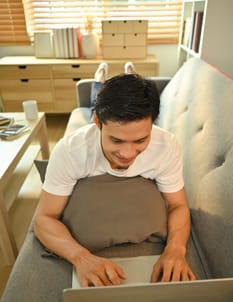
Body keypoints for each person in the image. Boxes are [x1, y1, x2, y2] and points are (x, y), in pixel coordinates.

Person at [34, 63, 196, 287]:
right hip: (91, 127)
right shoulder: (71, 150)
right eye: (116, 140)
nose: (128, 154)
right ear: (98, 123)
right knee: (97, 96)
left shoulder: (166, 145)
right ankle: (100, 77)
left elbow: (178, 206)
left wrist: (176, 251)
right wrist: (81, 258)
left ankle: (130, 72)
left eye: (140, 140)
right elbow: (43, 218)